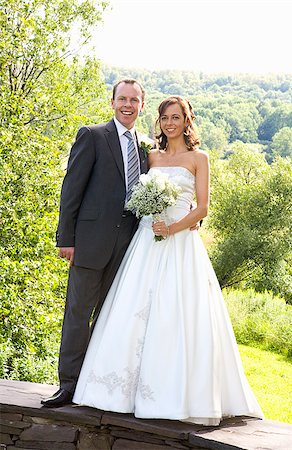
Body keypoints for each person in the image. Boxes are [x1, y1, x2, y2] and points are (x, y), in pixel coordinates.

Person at [72, 96, 264, 425]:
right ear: (159, 122)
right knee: (130, 314)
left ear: (187, 121)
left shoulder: (199, 158)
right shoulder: (151, 156)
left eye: (176, 117)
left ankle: (176, 396)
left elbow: (202, 208)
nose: (170, 123)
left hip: (180, 244)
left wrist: (172, 229)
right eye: (165, 118)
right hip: (145, 243)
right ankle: (115, 393)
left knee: (177, 316)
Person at [41, 79, 148, 408]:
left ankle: (94, 383)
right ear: (112, 101)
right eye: (122, 99)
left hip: (127, 247)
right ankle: (68, 385)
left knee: (109, 316)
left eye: (134, 100)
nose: (127, 105)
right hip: (88, 244)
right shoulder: (92, 135)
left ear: (142, 105)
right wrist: (66, 238)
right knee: (78, 314)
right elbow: (71, 189)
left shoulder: (143, 149)